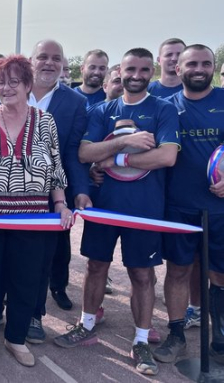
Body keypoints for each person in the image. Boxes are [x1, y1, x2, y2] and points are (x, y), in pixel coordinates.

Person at [54, 48, 179, 377]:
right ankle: (86, 324)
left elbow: (166, 157)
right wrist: (126, 143)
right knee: (96, 267)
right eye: (130, 69)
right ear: (119, 72)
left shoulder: (163, 109)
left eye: (144, 69)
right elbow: (84, 152)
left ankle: (140, 341)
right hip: (104, 205)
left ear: (152, 72)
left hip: (145, 208)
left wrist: (116, 160)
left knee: (142, 275)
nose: (137, 75)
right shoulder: (103, 109)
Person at [0, 55, 72, 367]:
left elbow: (54, 165)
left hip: (33, 219)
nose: (6, 88)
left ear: (27, 85)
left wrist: (61, 203)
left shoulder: (45, 120)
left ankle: (16, 338)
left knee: (25, 281)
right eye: (1, 82)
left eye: (14, 82)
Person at [0, 40, 91, 344]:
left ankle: (33, 314)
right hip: (1, 195)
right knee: (3, 254)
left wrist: (79, 191)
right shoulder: (3, 90)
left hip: (47, 196)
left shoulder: (74, 102)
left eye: (56, 58)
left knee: (40, 260)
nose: (49, 63)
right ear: (31, 62)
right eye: (42, 57)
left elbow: (70, 153)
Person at [154, 45, 224, 364]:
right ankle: (177, 334)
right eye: (192, 63)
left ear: (213, 67)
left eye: (206, 63)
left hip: (220, 210)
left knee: (220, 274)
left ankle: (219, 335)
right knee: (178, 271)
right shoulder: (166, 107)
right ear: (177, 69)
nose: (199, 69)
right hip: (179, 207)